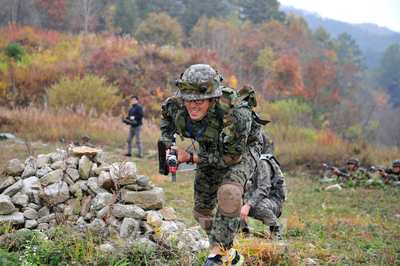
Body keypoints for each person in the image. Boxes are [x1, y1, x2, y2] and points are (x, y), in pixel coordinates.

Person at [160, 64, 266, 266]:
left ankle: (217, 257)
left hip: (242, 150)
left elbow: (231, 158)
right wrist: (168, 145)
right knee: (201, 211)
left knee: (229, 192)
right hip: (210, 146)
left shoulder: (236, 114)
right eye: (188, 99)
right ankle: (230, 254)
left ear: (213, 97)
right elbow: (166, 121)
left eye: (199, 100)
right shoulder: (175, 104)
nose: (192, 105)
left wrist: (189, 158)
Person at [240, 133, 286, 240]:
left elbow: (263, 189)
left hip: (272, 201)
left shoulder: (262, 163)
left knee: (256, 206)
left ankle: (275, 229)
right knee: (231, 203)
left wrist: (247, 205)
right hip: (255, 197)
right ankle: (243, 230)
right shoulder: (247, 161)